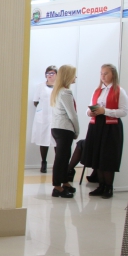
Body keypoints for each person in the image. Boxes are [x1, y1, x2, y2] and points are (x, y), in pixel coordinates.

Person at [82, 64, 128, 199]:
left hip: (111, 127)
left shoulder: (119, 91)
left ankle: (108, 187)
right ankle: (100, 186)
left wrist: (105, 111)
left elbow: (124, 111)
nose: (103, 76)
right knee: (97, 156)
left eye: (106, 73)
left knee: (107, 157)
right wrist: (89, 112)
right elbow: (89, 108)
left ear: (113, 74)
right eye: (101, 73)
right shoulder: (97, 90)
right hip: (96, 126)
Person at [49, 65, 79, 198]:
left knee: (64, 157)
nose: (75, 77)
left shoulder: (57, 91)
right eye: (74, 74)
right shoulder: (66, 92)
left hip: (56, 128)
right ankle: (57, 187)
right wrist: (77, 130)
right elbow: (72, 115)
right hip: (64, 128)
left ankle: (65, 182)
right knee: (61, 158)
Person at [32, 66, 57, 173]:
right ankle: (44, 162)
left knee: (56, 140)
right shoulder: (40, 86)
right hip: (43, 117)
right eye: (48, 73)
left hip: (55, 116)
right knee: (43, 139)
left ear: (57, 75)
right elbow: (35, 101)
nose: (49, 75)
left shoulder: (59, 87)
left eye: (52, 73)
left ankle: (57, 164)